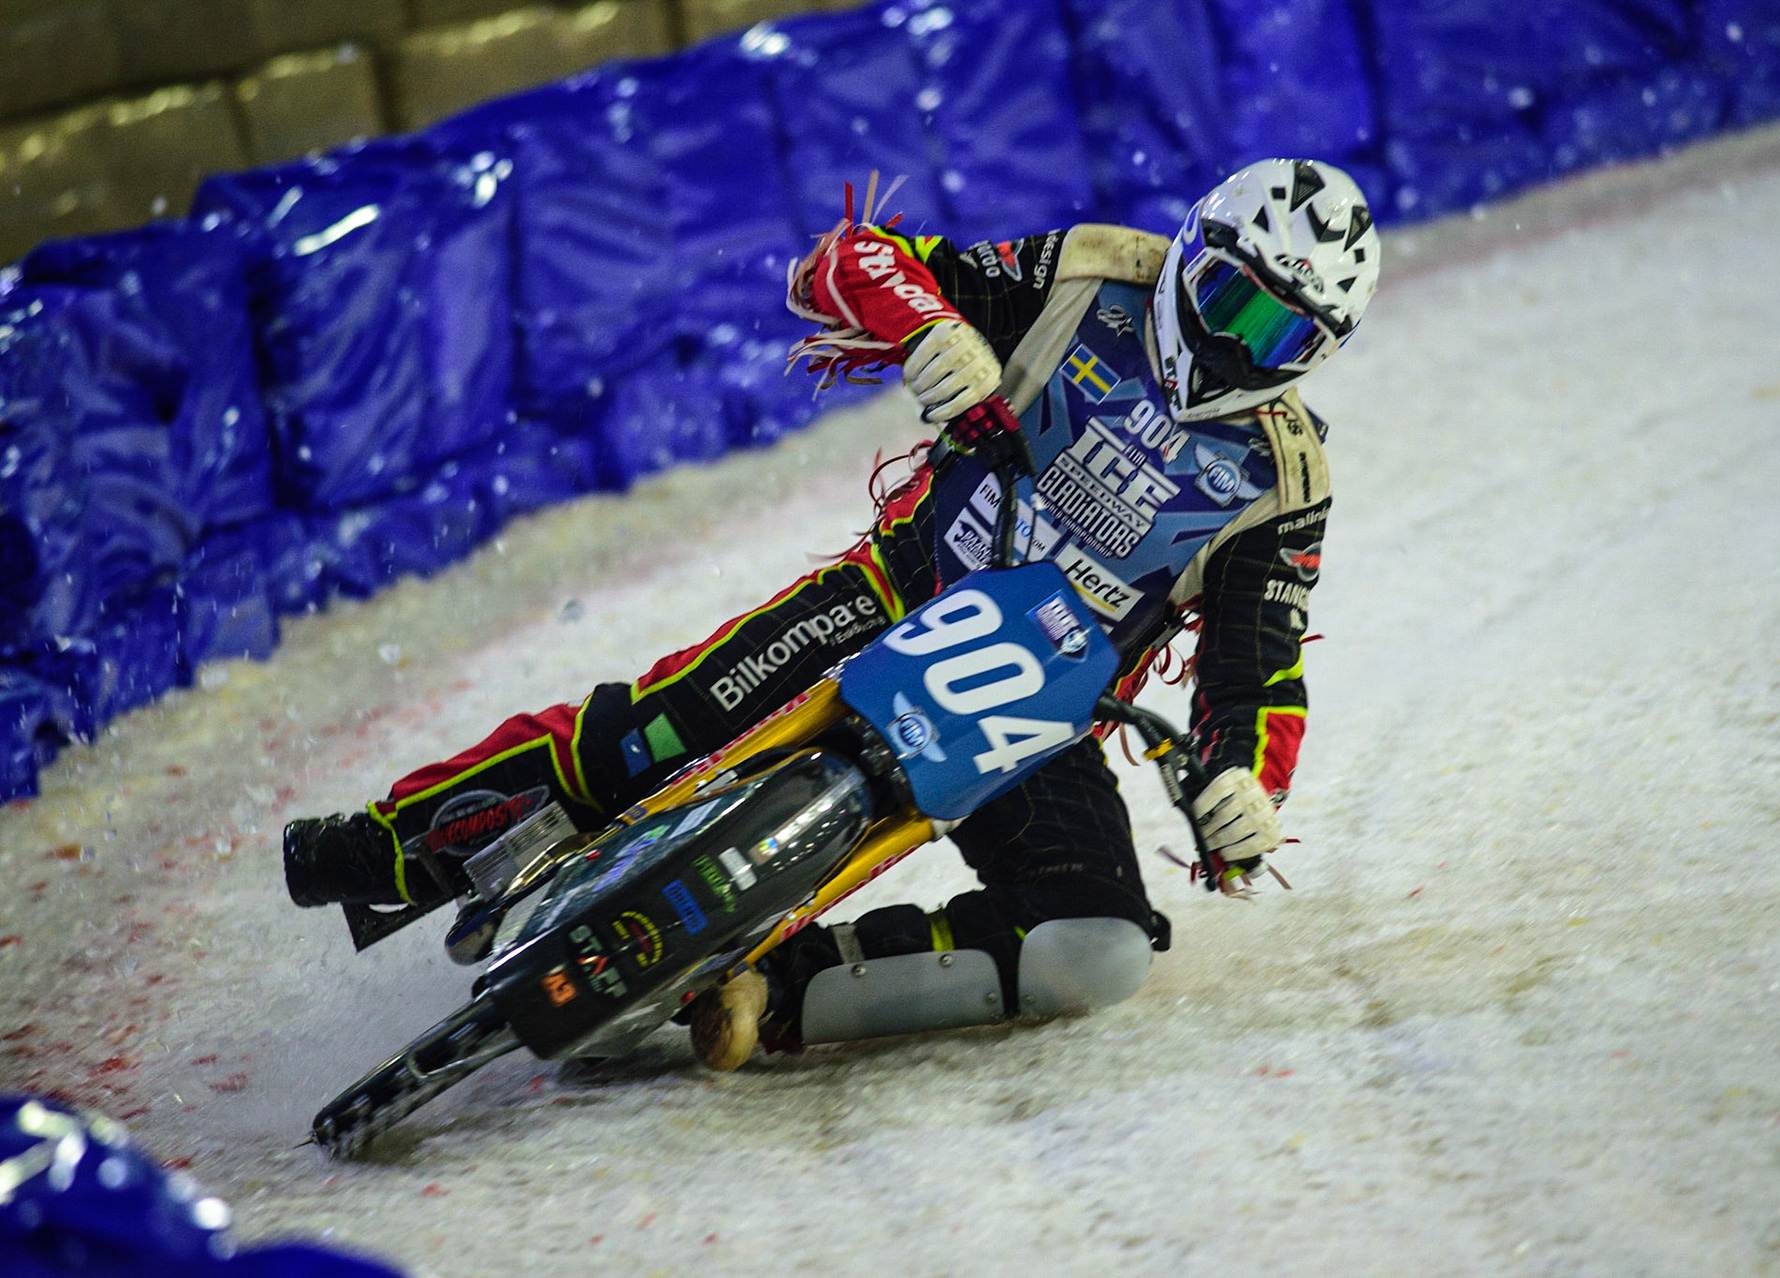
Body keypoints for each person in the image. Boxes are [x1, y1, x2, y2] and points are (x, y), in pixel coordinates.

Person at [281, 158, 1380, 1069]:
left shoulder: (1286, 479)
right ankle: (394, 846)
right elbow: (851, 260)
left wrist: (1244, 785)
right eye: (1232, 302)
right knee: (660, 728)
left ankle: (771, 990)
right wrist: (928, 328)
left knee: (1099, 948)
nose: (1238, 348)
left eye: (1281, 339)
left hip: (1033, 716)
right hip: (897, 587)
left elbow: (1258, 668)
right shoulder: (1092, 270)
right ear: (1192, 252)